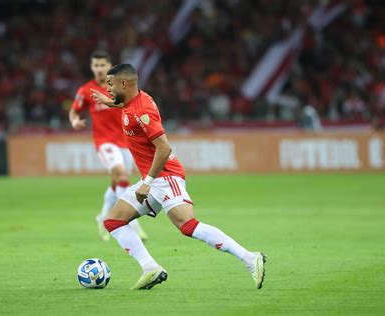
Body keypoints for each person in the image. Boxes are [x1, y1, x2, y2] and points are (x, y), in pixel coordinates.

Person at [91, 63, 266, 290]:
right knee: (113, 221)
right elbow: (127, 105)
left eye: (111, 84)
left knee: (187, 225)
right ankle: (150, 268)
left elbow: (164, 148)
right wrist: (110, 103)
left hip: (165, 176)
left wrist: (147, 182)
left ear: (124, 83)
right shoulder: (133, 101)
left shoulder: (142, 111)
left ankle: (250, 258)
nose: (108, 89)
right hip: (152, 180)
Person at [69, 51, 147, 241]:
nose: (99, 69)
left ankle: (102, 217)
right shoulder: (86, 90)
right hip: (104, 142)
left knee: (117, 181)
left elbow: (133, 105)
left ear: (109, 66)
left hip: (125, 140)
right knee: (121, 175)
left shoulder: (121, 87)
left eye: (102, 65)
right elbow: (74, 110)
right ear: (91, 67)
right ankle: (132, 223)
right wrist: (74, 121)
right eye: (95, 65)